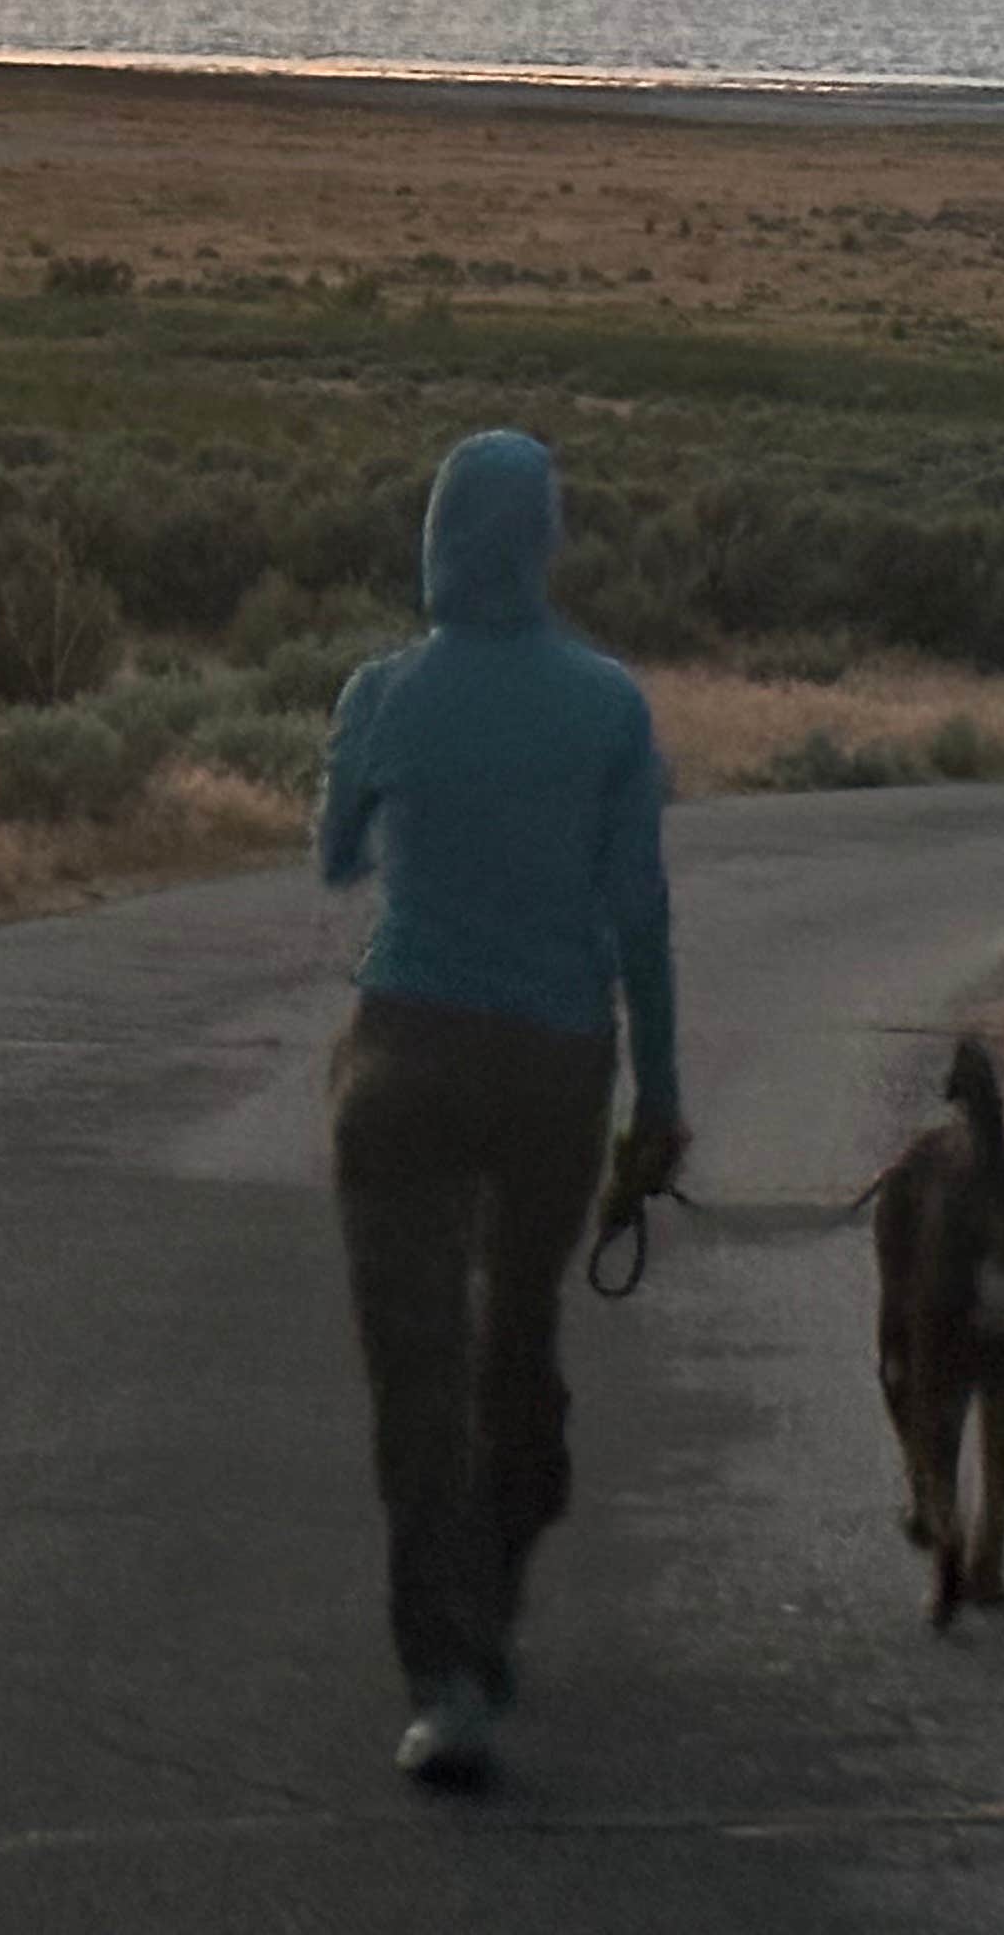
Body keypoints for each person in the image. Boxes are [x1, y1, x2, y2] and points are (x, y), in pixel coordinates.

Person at [317, 429, 686, 1789]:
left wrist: (370, 768)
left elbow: (337, 854)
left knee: (414, 1381)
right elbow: (640, 914)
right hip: (555, 1065)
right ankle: (504, 1566)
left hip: (404, 1054)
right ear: (546, 542)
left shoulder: (383, 692)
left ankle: (448, 1678)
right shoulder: (608, 705)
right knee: (512, 1341)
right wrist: (666, 1094)